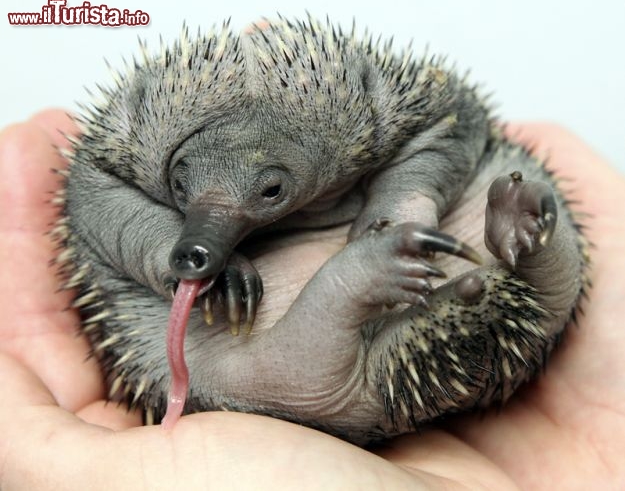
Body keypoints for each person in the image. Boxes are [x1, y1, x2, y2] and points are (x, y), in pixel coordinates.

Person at [0, 109, 623, 489]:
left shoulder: (373, 103)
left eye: (268, 189)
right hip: (260, 351)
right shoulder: (120, 149)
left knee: (498, 198)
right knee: (219, 354)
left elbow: (444, 127)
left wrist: (403, 202)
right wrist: (170, 252)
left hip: (420, 250)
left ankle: (533, 259)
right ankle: (363, 292)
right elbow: (103, 198)